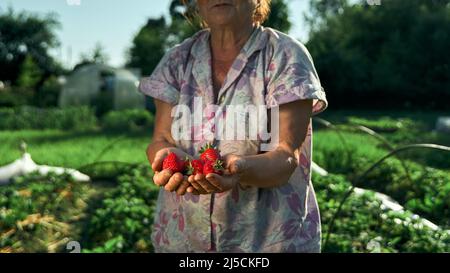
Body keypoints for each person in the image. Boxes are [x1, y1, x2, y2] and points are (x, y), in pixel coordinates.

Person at [139, 0, 328, 252]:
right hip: (184, 240)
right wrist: (166, 157)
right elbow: (161, 139)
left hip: (266, 242)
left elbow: (284, 155)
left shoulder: (283, 56)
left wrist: (240, 168)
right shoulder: (176, 61)